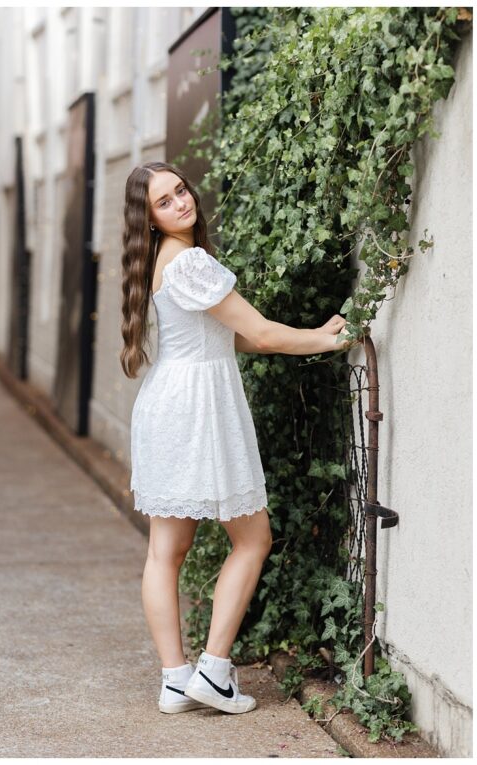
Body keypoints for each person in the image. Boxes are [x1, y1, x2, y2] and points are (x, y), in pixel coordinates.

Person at [119, 160, 350, 715]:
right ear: (149, 218)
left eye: (180, 190)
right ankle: (214, 672)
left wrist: (294, 338)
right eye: (164, 201)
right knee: (253, 538)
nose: (180, 202)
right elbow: (261, 330)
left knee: (164, 553)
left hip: (169, 403)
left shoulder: (159, 260)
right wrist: (323, 338)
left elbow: (237, 339)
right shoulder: (190, 261)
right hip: (197, 409)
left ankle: (176, 680)